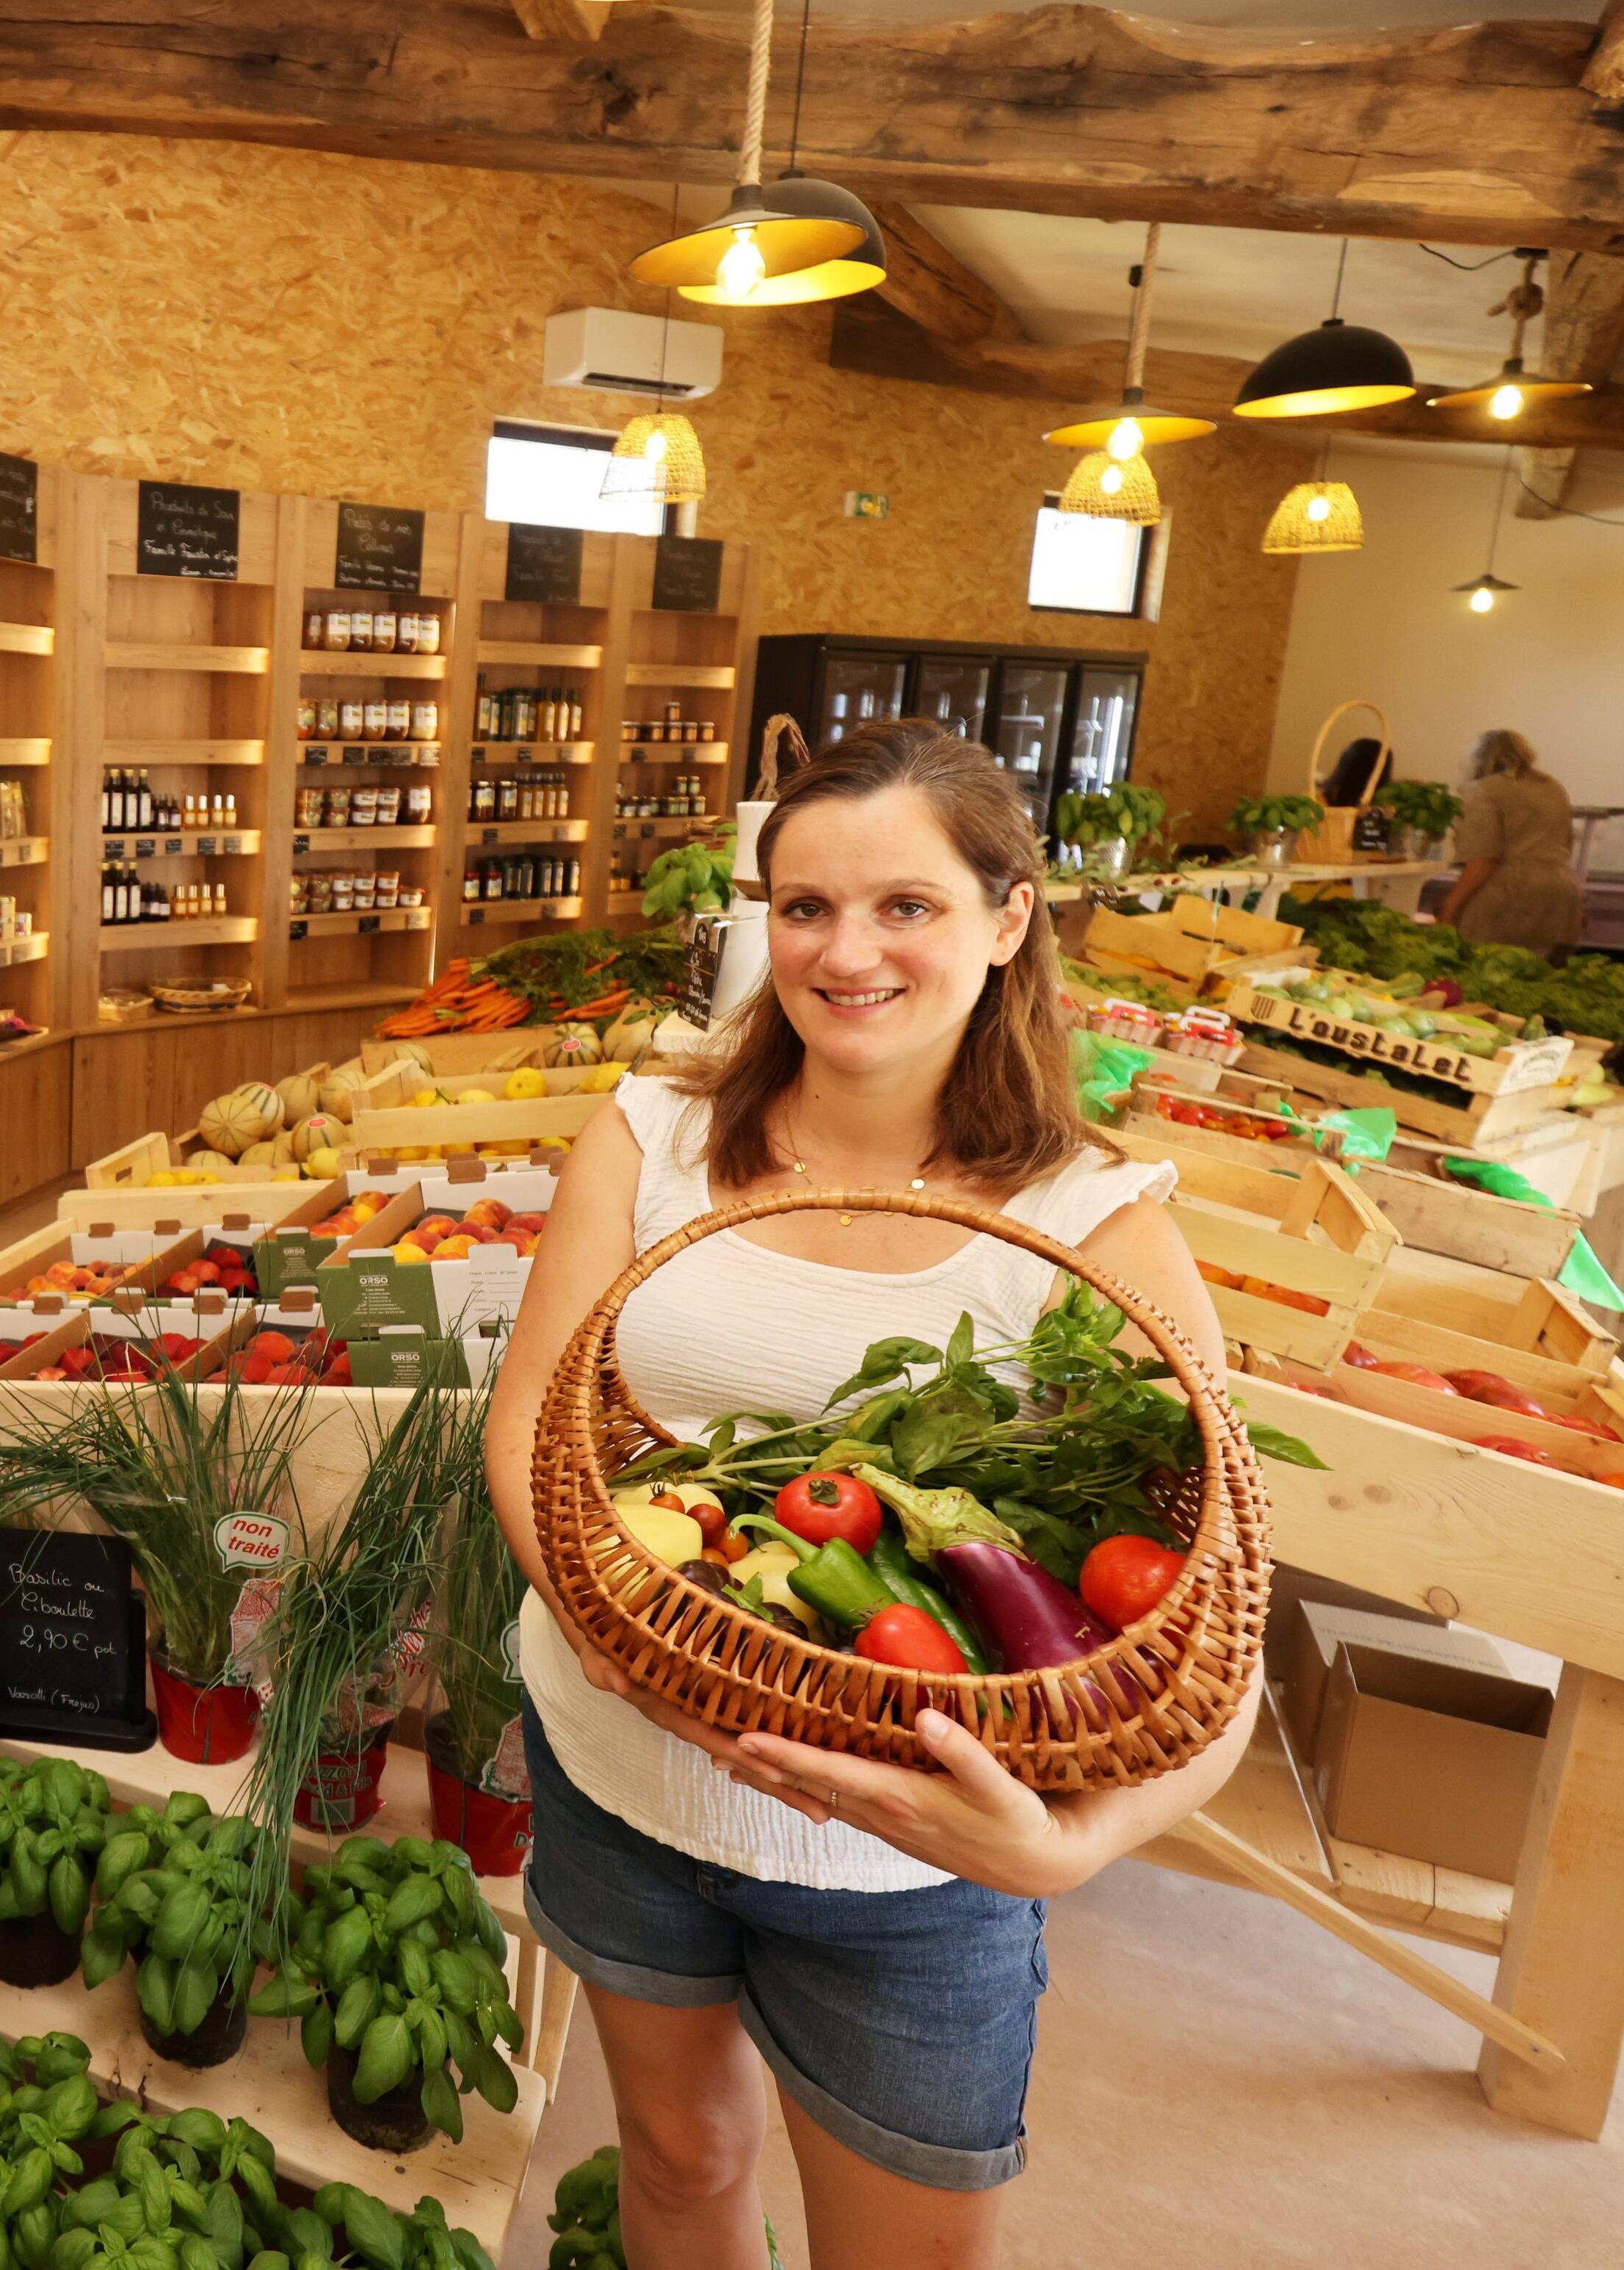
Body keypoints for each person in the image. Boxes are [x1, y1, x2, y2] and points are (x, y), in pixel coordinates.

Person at [480, 720, 1249, 2270]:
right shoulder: (650, 1136)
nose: (846, 953)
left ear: (1008, 916)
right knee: (682, 2164)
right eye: (805, 907)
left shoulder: (1094, 1229)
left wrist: (1073, 1848)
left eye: (907, 905)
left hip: (911, 1869)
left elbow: (1213, 1639)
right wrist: (624, 1641)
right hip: (618, 1774)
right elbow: (527, 1433)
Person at [1439, 728, 1584, 952]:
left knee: (1490, 974)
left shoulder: (1483, 790)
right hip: (1563, 894)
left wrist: (1449, 908)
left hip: (1510, 895)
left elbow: (1483, 861)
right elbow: (1568, 843)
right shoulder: (1552, 786)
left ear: (1479, 759)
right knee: (1544, 979)